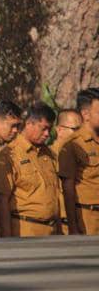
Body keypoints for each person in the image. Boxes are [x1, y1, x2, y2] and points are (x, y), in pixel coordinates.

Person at [0, 103, 61, 237]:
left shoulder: (48, 154)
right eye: (44, 128)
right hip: (25, 231)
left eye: (49, 129)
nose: (47, 134)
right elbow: (2, 201)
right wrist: (6, 239)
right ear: (29, 124)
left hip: (52, 231)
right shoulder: (9, 156)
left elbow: (55, 195)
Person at [60, 88, 99, 235]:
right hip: (88, 219)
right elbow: (68, 188)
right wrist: (73, 227)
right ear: (86, 114)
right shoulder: (73, 145)